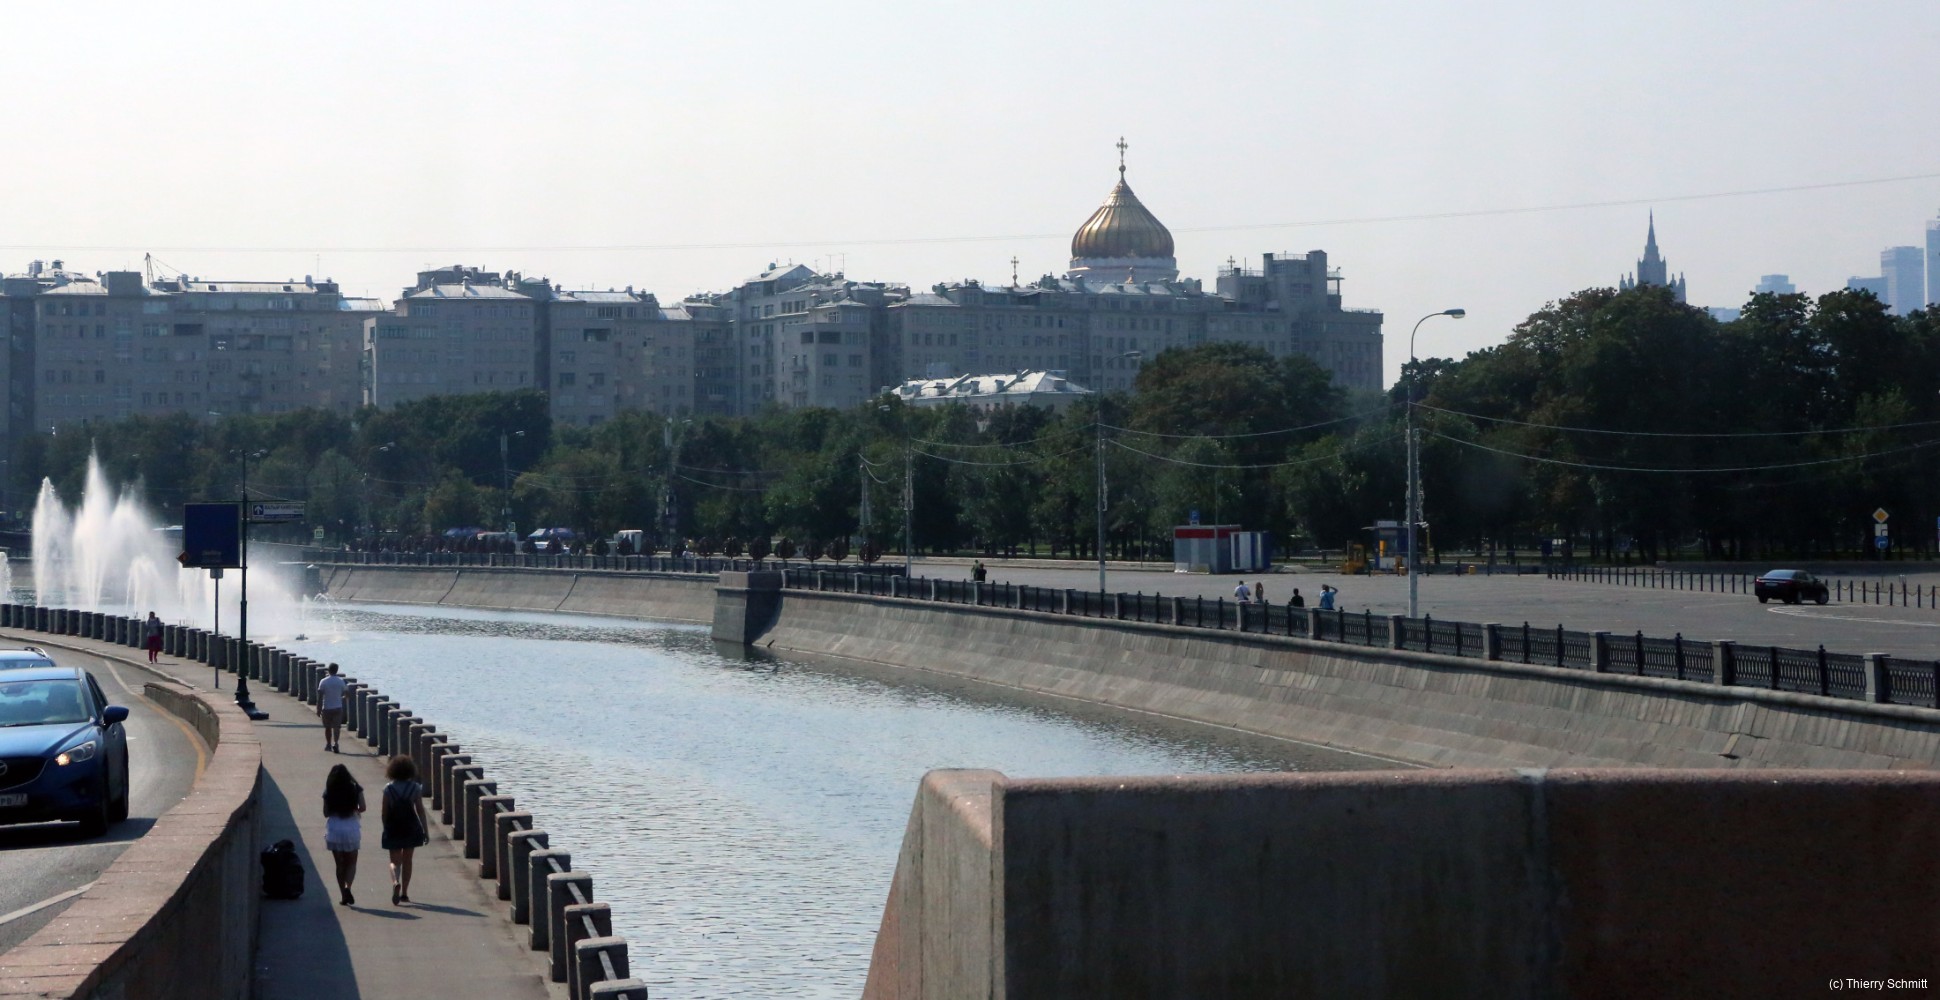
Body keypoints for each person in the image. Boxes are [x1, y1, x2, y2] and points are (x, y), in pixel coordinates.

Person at [380, 754, 430, 905]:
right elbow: (420, 810)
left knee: (394, 861)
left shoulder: (388, 789)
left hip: (394, 827)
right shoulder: (415, 788)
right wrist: (425, 831)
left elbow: (384, 812)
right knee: (408, 860)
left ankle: (395, 882)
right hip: (411, 827)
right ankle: (405, 893)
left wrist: (386, 828)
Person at [322, 763, 366, 906]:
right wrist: (354, 808)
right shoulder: (355, 788)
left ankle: (343, 895)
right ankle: (348, 887)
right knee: (351, 862)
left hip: (334, 828)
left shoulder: (329, 790)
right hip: (351, 827)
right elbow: (363, 807)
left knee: (339, 864)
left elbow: (326, 813)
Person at [316, 663, 347, 753]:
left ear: (328, 670)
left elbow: (320, 696)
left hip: (327, 708)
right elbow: (347, 694)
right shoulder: (341, 681)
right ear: (337, 670)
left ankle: (328, 744)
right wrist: (342, 698)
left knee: (328, 727)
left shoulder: (323, 681)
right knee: (337, 727)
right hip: (338, 707)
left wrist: (318, 708)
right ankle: (336, 743)